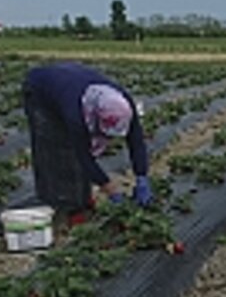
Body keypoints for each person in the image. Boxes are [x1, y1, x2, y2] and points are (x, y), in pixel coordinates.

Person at [22, 61, 152, 215]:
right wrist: (111, 190)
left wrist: (142, 176)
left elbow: (136, 140)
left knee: (73, 152)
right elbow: (83, 156)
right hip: (39, 90)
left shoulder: (124, 105)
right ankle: (59, 203)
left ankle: (82, 198)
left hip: (69, 80)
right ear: (95, 117)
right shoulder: (76, 114)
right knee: (57, 148)